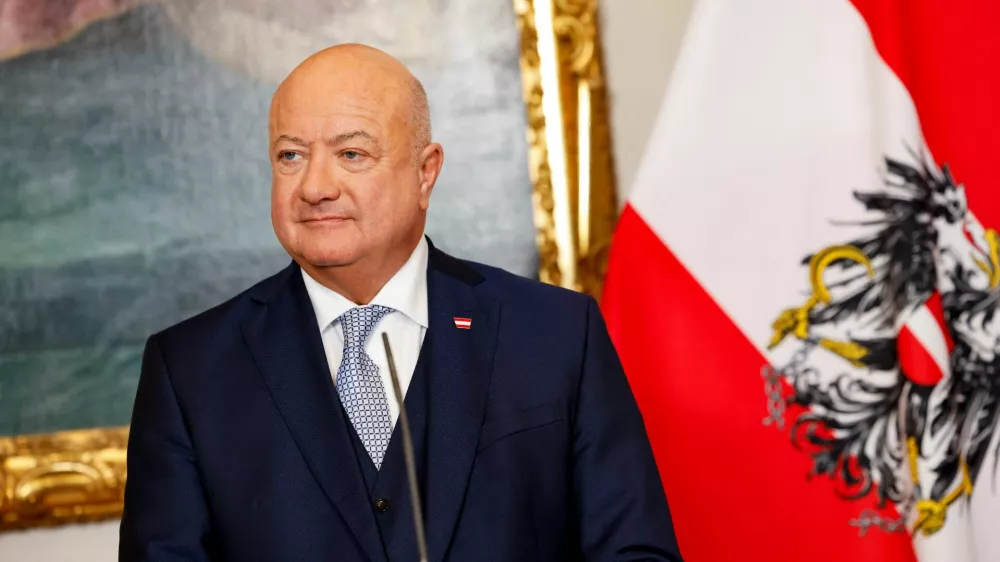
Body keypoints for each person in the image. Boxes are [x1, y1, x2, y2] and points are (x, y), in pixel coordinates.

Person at [119, 43, 682, 562]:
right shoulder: (190, 371)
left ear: (425, 172)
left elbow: (635, 552)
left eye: (352, 153)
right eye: (290, 155)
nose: (315, 186)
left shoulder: (555, 333)